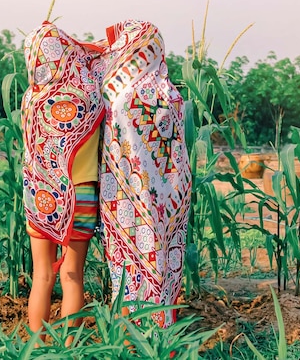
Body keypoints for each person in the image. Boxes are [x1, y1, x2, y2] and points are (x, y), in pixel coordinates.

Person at [97, 20, 192, 328]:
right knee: (162, 263)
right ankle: (162, 331)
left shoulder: (118, 93)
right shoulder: (170, 93)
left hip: (123, 194)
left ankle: (127, 338)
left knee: (124, 265)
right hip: (168, 198)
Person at [21, 21, 105, 340]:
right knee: (72, 277)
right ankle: (72, 348)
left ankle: (36, 348)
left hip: (39, 193)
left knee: (41, 276)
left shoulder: (32, 98)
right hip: (80, 195)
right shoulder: (88, 95)